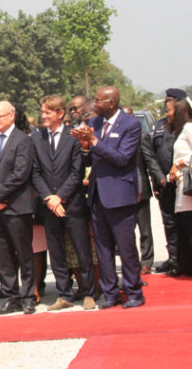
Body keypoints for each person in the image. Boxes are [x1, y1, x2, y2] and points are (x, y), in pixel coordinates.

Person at [71, 86, 145, 309]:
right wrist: (85, 148)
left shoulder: (131, 125)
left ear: (111, 103)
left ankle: (134, 292)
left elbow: (122, 159)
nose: (94, 105)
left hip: (120, 195)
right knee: (103, 248)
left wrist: (94, 142)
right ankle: (110, 293)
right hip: (97, 195)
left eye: (98, 101)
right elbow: (89, 161)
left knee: (126, 247)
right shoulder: (94, 124)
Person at [31, 95, 96, 311]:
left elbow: (78, 172)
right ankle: (64, 293)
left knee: (81, 249)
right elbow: (36, 172)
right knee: (56, 251)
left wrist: (61, 196)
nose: (44, 116)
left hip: (72, 204)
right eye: (43, 111)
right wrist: (49, 198)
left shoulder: (73, 137)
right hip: (49, 206)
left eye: (49, 112)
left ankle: (88, 292)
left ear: (60, 114)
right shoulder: (37, 138)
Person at [0, 101, 37, 315]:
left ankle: (29, 296)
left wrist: (0, 194)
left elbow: (21, 173)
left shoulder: (23, 140)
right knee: (3, 255)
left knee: (24, 254)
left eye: (0, 116)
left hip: (17, 205)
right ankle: (11, 296)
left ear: (11, 116)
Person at [123, 106, 163, 274]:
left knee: (144, 229)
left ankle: (146, 261)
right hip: (122, 191)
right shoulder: (114, 138)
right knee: (125, 231)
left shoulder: (142, 136)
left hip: (141, 190)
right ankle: (130, 262)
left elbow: (150, 160)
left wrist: (159, 179)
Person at [153, 88, 188, 275]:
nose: (166, 103)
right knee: (169, 223)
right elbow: (152, 153)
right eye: (165, 100)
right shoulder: (160, 125)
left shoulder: (187, 125)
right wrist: (156, 178)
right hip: (164, 182)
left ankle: (185, 259)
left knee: (185, 223)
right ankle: (173, 258)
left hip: (184, 182)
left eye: (170, 100)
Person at [166, 97, 192, 275]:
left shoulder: (189, 128)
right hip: (181, 189)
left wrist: (180, 163)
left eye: (170, 111)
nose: (167, 114)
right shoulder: (181, 131)